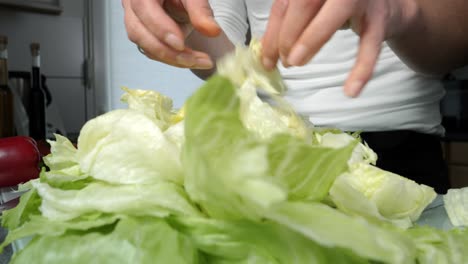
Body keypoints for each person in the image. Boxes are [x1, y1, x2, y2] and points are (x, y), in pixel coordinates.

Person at [121, 0, 468, 193]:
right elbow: (225, 52)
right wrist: (184, 23)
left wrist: (399, 10)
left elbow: (455, 45)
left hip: (398, 164)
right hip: (272, 154)